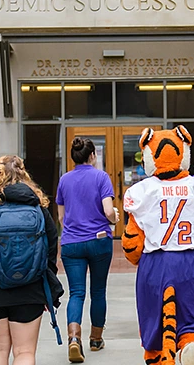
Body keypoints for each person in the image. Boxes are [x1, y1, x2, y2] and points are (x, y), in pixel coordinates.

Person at [122, 126, 194, 365]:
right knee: (193, 320)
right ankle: (190, 344)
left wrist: (136, 257)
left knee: (155, 324)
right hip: (192, 263)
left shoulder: (141, 191)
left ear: (148, 155)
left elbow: (132, 243)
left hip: (156, 263)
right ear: (183, 151)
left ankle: (159, 358)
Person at [0, 156, 64, 365]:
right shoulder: (39, 209)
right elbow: (50, 249)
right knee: (25, 352)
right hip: (31, 288)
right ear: (24, 175)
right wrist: (47, 289)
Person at [56, 137, 119, 363]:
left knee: (76, 293)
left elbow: (61, 217)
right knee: (98, 291)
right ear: (93, 155)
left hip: (71, 243)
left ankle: (74, 338)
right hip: (99, 240)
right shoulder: (101, 177)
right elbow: (108, 211)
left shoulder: (64, 180)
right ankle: (95, 339)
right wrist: (114, 219)